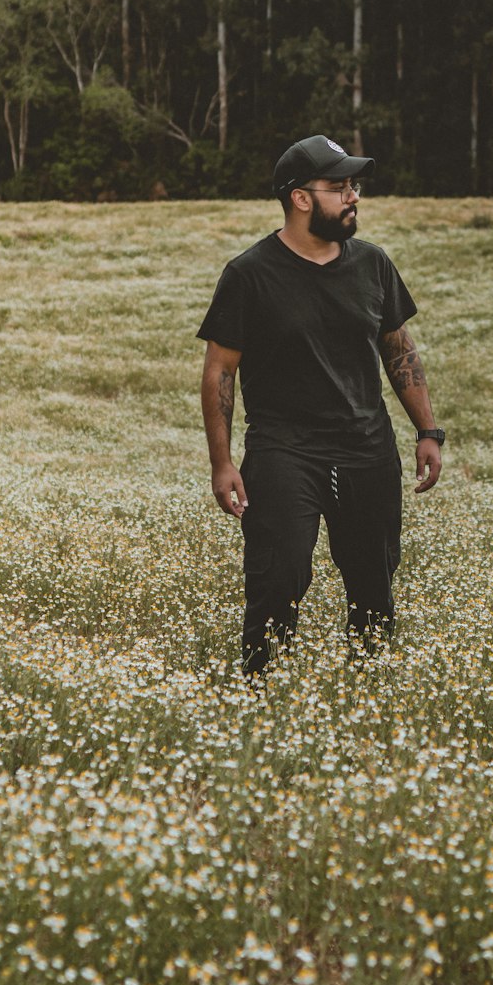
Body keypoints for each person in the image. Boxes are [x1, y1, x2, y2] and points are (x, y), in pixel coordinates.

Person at [197, 135, 444, 677]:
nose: (353, 197)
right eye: (339, 187)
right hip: (285, 453)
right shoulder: (249, 275)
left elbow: (398, 350)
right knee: (278, 581)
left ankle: (366, 693)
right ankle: (261, 695)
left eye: (353, 185)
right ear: (301, 198)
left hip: (368, 450)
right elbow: (220, 372)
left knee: (374, 588)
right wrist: (222, 462)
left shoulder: (373, 265)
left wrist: (428, 430)